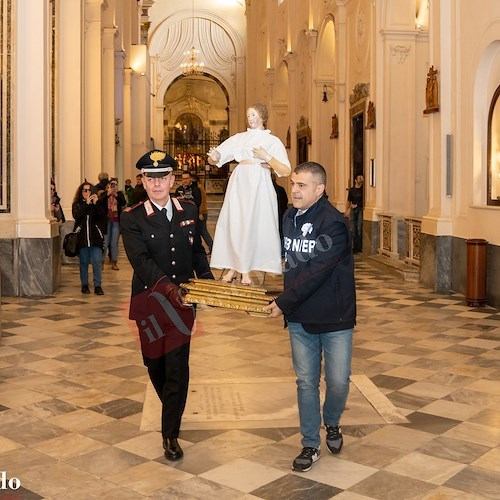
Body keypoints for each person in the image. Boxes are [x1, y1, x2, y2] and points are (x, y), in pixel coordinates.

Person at [121, 150, 213, 462]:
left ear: (172, 179)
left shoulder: (189, 208)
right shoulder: (132, 217)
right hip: (149, 304)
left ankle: (170, 433)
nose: (157, 183)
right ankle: (172, 407)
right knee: (154, 365)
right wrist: (168, 288)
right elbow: (141, 261)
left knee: (177, 368)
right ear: (143, 182)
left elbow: (197, 252)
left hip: (184, 304)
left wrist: (208, 281)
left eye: (163, 177)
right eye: (150, 177)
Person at [264, 162, 356, 473]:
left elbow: (318, 270)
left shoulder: (335, 224)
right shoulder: (289, 216)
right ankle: (310, 444)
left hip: (335, 317)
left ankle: (331, 421)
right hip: (301, 317)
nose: (294, 190)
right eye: (293, 184)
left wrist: (283, 301)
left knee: (338, 382)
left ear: (319, 189)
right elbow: (286, 258)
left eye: (302, 185)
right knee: (306, 382)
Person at [207, 103, 291, 285]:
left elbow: (285, 170)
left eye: (254, 115)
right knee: (235, 223)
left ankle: (244, 269)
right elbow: (216, 157)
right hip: (239, 181)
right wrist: (214, 157)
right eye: (248, 115)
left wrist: (266, 157)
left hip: (258, 182)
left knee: (252, 224)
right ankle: (233, 267)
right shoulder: (239, 138)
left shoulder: (272, 141)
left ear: (263, 117)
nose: (251, 119)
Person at [72, 182, 107, 295]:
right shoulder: (77, 204)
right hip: (82, 238)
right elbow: (77, 215)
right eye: (84, 190)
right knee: (84, 263)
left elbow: (102, 216)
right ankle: (85, 285)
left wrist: (95, 203)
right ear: (81, 192)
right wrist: (86, 204)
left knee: (97, 262)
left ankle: (98, 285)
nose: (87, 192)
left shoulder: (97, 203)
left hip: (95, 238)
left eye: (89, 190)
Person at [100, 178, 126, 270]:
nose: (114, 187)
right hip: (106, 221)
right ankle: (101, 261)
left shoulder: (119, 194)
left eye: (115, 185)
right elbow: (99, 203)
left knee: (114, 243)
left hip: (116, 221)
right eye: (112, 185)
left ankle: (114, 261)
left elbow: (124, 202)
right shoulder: (104, 194)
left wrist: (116, 195)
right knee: (105, 242)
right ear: (108, 185)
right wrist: (108, 194)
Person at [192, 174, 213, 253]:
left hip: (202, 212)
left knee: (203, 231)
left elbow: (202, 201)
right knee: (202, 231)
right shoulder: (199, 187)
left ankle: (212, 247)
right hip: (202, 211)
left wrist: (200, 212)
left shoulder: (199, 188)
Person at [345, 174, 364, 253]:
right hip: (353, 210)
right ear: (355, 180)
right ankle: (354, 247)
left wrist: (358, 205)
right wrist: (347, 210)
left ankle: (359, 247)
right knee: (353, 228)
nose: (361, 180)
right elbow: (348, 201)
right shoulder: (352, 190)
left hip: (360, 209)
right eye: (359, 178)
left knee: (359, 228)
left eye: (361, 178)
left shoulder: (363, 190)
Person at [271, 173, 289, 248]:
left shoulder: (267, 190)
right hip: (281, 215)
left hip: (271, 216)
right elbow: (286, 201)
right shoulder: (281, 189)